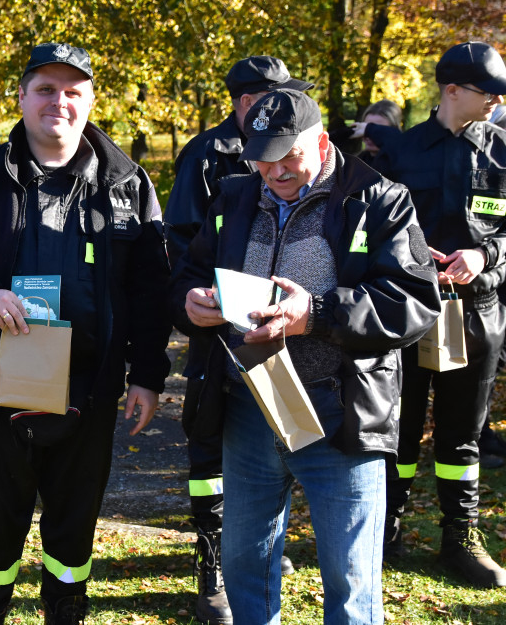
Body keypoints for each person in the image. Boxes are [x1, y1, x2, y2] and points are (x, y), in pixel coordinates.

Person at [0, 42, 168, 624]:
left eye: (73, 92)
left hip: (91, 387)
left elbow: (152, 291)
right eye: (46, 89)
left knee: (74, 526)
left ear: (91, 101)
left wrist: (148, 377)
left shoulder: (127, 184)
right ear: (23, 97)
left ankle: (65, 612)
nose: (60, 102)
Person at [168, 88, 439, 623]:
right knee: (246, 565)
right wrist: (191, 302)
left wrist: (315, 314)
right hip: (249, 407)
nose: (275, 170)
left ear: (321, 141)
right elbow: (193, 271)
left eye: (288, 155)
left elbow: (413, 301)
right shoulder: (234, 197)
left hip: (340, 414)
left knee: (350, 580)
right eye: (262, 157)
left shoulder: (380, 199)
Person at [163, 55, 312, 625]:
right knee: (210, 445)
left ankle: (256, 547)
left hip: (287, 331)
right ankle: (212, 567)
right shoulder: (206, 155)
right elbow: (178, 242)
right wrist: (197, 299)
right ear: (246, 103)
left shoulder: (300, 153)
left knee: (281, 443)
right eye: (271, 99)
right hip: (217, 333)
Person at [370, 41, 506, 587]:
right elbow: (371, 233)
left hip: (478, 314)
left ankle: (461, 536)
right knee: (398, 429)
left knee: (462, 433)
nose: (498, 100)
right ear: (452, 90)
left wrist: (484, 256)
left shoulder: (502, 152)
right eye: (488, 91)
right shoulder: (400, 154)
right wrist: (411, 258)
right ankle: (387, 528)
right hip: (410, 314)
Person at [353, 99, 403, 166]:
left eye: (376, 130)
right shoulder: (355, 163)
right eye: (365, 127)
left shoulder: (402, 165)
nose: (368, 136)